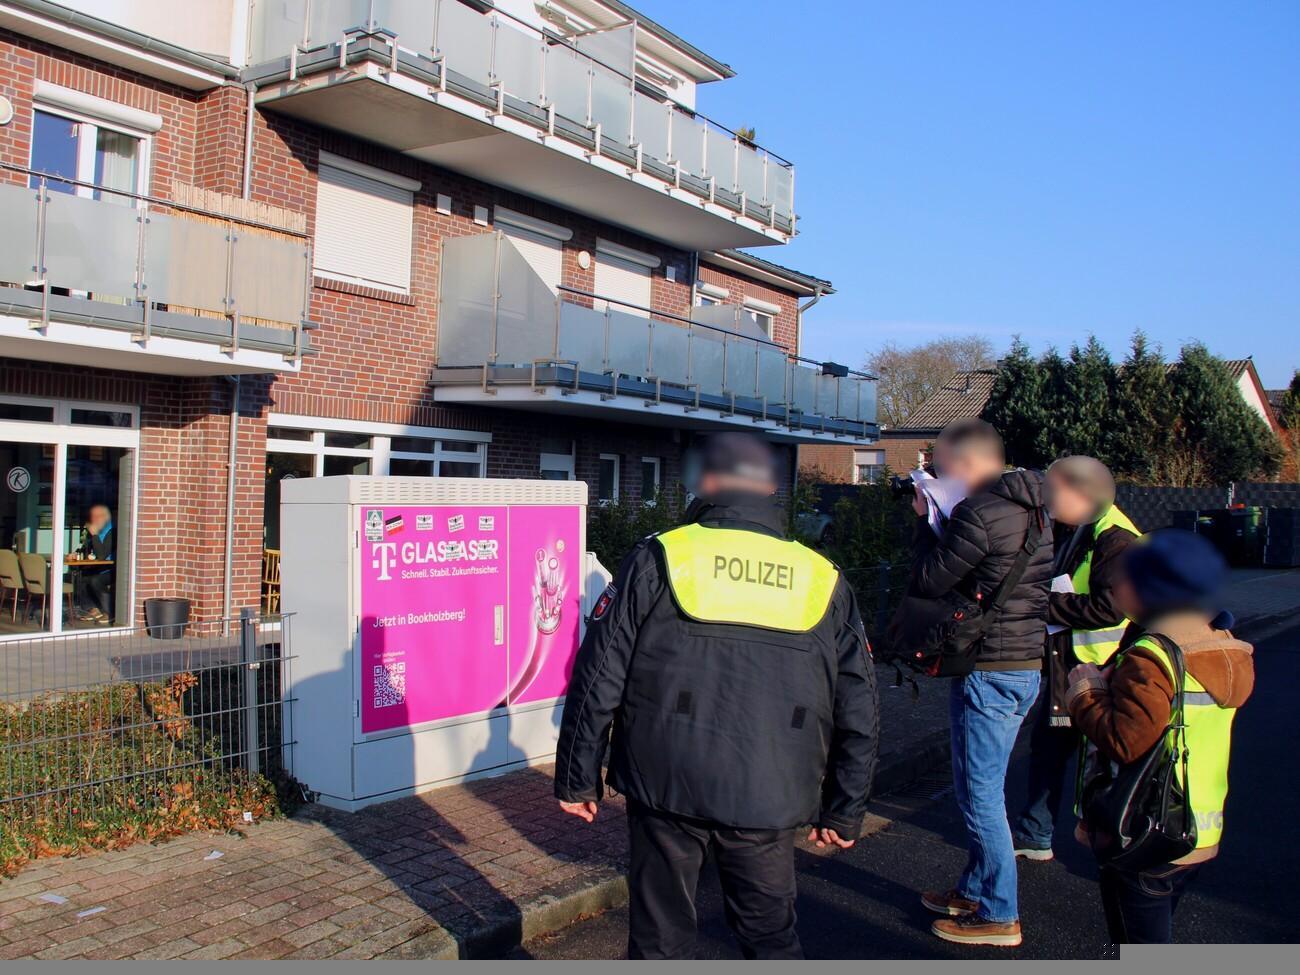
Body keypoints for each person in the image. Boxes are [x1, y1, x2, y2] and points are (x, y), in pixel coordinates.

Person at [553, 432, 879, 960]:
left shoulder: (660, 556)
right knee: (769, 938)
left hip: (666, 783)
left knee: (661, 939)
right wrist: (845, 807)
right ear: (769, 487)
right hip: (769, 789)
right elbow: (858, 703)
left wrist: (577, 776)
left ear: (705, 483)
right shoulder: (823, 577)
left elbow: (599, 673)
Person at [1066, 529, 1254, 943]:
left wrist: (1084, 692)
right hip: (1196, 827)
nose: (1114, 585)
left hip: (1144, 826)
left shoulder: (1152, 658)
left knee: (1141, 946)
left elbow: (1126, 740)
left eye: (1125, 578)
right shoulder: (1221, 644)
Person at [907, 419, 1053, 947]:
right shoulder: (1034, 508)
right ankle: (975, 889)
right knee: (986, 787)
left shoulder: (980, 511)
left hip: (988, 668)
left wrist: (925, 521)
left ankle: (998, 914)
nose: (939, 477)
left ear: (967, 464)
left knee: (979, 796)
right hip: (1023, 664)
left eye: (943, 468)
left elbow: (928, 580)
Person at [1011, 457, 1139, 861]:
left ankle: (1112, 839)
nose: (1046, 498)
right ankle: (1036, 834)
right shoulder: (1080, 527)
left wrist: (1042, 604)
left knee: (1100, 760)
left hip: (1100, 670)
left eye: (1053, 490)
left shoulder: (1116, 539)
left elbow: (1109, 609)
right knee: (1050, 749)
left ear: (1080, 495)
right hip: (1073, 665)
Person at [78, 503, 115, 624]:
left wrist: (95, 535)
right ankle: (93, 609)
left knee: (95, 580)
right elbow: (87, 549)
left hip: (114, 568)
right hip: (101, 566)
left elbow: (101, 555)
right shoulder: (96, 531)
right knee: (84, 575)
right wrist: (76, 554)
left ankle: (109, 612)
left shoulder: (112, 531)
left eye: (98, 516)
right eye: (93, 516)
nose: (94, 519)